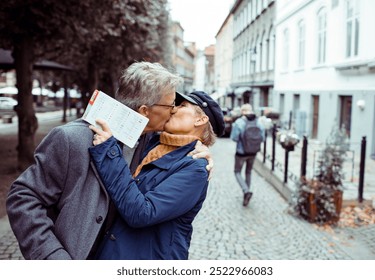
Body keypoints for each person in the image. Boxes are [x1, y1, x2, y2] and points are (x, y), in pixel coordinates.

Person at [6, 62, 212, 260]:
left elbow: (179, 154)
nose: (173, 110)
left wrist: (201, 150)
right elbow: (23, 197)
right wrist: (52, 257)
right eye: (170, 104)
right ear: (144, 111)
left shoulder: (151, 143)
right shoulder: (71, 139)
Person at [88, 91, 225, 259]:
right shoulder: (152, 142)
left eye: (182, 106)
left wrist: (109, 153)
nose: (173, 110)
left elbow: (142, 213)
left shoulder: (195, 168)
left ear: (200, 120)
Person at [230, 103, 265, 207]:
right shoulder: (258, 121)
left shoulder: (239, 122)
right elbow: (262, 138)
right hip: (253, 152)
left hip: (241, 152)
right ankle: (247, 194)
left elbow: (234, 138)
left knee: (237, 172)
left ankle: (246, 191)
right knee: (248, 172)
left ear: (242, 112)